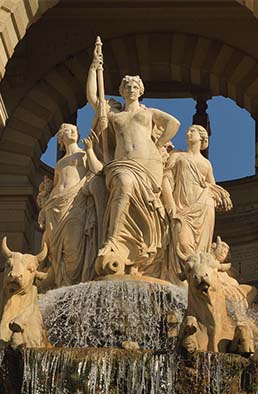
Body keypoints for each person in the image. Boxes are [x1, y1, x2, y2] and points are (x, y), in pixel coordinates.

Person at [86, 43, 180, 279]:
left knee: (139, 198)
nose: (130, 89)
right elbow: (93, 98)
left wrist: (158, 145)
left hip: (148, 165)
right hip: (123, 164)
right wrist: (94, 68)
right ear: (121, 90)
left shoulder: (148, 113)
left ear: (141, 91)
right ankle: (114, 239)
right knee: (124, 184)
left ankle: (134, 248)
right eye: (127, 86)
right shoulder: (114, 114)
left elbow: (174, 124)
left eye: (135, 86)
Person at [37, 124, 100, 287]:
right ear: (60, 137)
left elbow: (98, 170)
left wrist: (90, 150)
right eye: (67, 131)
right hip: (54, 205)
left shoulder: (84, 153)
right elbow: (57, 183)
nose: (72, 132)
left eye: (74, 131)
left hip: (75, 201)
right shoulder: (60, 163)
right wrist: (46, 196)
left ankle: (73, 282)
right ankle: (61, 282)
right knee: (55, 250)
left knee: (73, 245)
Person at [164, 124, 233, 266]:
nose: (188, 133)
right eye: (188, 131)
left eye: (192, 131)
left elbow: (213, 187)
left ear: (202, 137)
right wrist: (169, 200)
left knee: (200, 251)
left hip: (204, 207)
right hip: (181, 208)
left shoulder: (206, 164)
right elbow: (166, 178)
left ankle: (197, 273)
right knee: (182, 242)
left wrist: (221, 195)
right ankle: (182, 274)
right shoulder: (177, 156)